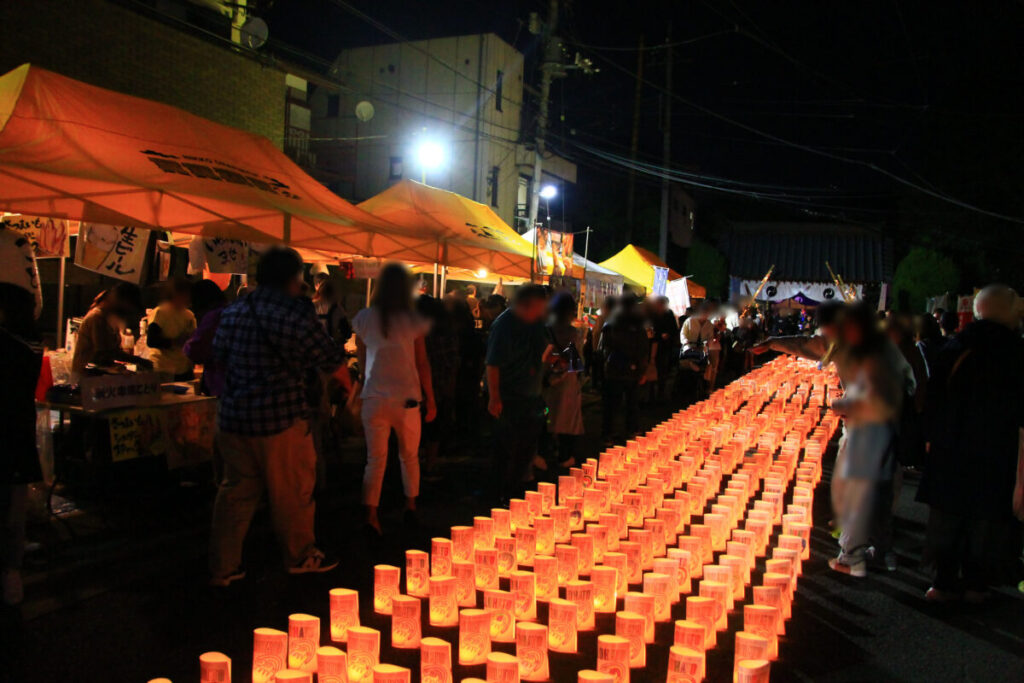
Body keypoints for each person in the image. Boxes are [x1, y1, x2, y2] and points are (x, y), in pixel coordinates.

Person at [209, 247, 343, 585]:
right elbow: (329, 357)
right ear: (295, 278)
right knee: (292, 494)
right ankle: (299, 555)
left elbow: (218, 355)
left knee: (236, 494)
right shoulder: (295, 314)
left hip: (234, 419)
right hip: (280, 421)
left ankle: (224, 567)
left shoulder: (235, 310)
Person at [919, 285, 1024, 602]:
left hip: (950, 448)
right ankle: (977, 584)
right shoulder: (1015, 351)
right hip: (997, 449)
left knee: (948, 515)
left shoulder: (955, 346)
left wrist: (931, 439)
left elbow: (932, 399)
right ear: (1009, 312)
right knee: (987, 518)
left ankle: (942, 582)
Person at [353, 263, 436, 535]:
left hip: (374, 397)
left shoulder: (363, 318)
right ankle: (410, 507)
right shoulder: (412, 319)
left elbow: (362, 361)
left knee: (375, 460)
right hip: (407, 399)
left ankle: (370, 516)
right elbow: (422, 363)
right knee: (409, 457)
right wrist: (431, 398)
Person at [0, 282, 43, 605]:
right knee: (13, 508)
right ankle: (12, 575)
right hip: (19, 432)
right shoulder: (31, 343)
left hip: (8, 432)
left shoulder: (9, 345)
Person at [485, 284, 549, 502]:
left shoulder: (537, 323)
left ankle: (515, 492)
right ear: (529, 303)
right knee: (505, 449)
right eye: (541, 305)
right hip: (508, 397)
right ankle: (498, 495)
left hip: (531, 397)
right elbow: (493, 363)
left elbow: (543, 351)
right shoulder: (504, 325)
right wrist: (494, 397)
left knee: (525, 449)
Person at [70, 282, 150, 382]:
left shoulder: (108, 317)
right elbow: (104, 352)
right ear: (119, 300)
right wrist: (138, 360)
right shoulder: (96, 317)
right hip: (85, 378)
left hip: (95, 376)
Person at [542, 292, 585, 470]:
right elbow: (575, 362)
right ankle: (564, 456)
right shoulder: (573, 333)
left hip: (546, 382)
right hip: (566, 384)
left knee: (546, 418)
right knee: (567, 422)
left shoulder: (545, 330)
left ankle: (543, 455)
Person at [417, 295, 459, 477]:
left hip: (416, 386)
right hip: (440, 385)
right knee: (434, 428)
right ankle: (430, 464)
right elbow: (452, 362)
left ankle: (414, 462)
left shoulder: (415, 331)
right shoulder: (446, 332)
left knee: (417, 427)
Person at [599, 293, 650, 442]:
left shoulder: (610, 322)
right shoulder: (637, 325)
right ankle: (631, 430)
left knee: (612, 403)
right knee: (631, 402)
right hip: (632, 369)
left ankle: (608, 433)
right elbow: (643, 349)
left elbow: (603, 348)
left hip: (613, 368)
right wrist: (642, 371)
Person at [146, 278, 197, 381]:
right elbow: (151, 341)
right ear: (176, 294)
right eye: (185, 294)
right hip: (163, 369)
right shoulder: (160, 312)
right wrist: (175, 342)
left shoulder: (189, 315)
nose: (188, 298)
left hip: (184, 369)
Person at [184, 279, 228, 397]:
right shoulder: (231, 311)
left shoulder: (213, 317)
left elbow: (195, 351)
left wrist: (188, 343)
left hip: (219, 384)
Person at [650, 296, 680, 401]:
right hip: (653, 346)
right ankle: (651, 395)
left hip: (665, 347)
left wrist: (668, 335)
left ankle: (660, 394)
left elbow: (674, 330)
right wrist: (659, 335)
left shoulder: (669, 314)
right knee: (652, 370)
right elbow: (649, 329)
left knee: (663, 371)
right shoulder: (652, 314)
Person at [312, 278, 353, 345]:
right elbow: (347, 333)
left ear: (319, 292)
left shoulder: (311, 306)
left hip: (312, 345)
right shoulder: (337, 309)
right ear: (334, 293)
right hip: (330, 347)